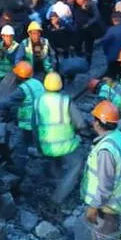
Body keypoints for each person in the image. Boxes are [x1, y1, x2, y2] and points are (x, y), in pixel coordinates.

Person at [78, 101, 121, 240]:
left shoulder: (105, 150)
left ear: (98, 123)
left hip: (108, 204)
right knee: (108, 231)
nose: (92, 122)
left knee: (103, 238)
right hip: (114, 200)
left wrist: (94, 207)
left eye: (94, 119)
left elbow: (105, 184)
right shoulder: (118, 136)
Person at [33, 72, 87, 203]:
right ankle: (57, 198)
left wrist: (38, 145)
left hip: (45, 145)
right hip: (66, 146)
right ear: (60, 85)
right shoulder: (65, 101)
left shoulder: (38, 101)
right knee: (77, 164)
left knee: (55, 161)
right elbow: (80, 124)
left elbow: (34, 125)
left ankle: (55, 181)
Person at [0, 61, 44, 175]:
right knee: (33, 139)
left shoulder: (22, 89)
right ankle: (41, 154)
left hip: (28, 122)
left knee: (21, 145)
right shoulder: (37, 83)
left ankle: (19, 170)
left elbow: (9, 100)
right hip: (39, 118)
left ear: (20, 76)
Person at [87, 47, 121, 115]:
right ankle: (98, 108)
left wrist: (113, 85)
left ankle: (96, 109)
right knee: (106, 88)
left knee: (105, 89)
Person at [68, 0, 100, 66]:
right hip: (78, 29)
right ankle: (80, 61)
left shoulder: (91, 4)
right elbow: (69, 1)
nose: (79, 0)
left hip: (89, 29)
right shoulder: (75, 5)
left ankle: (88, 62)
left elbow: (96, 16)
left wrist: (88, 23)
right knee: (77, 45)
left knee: (89, 46)